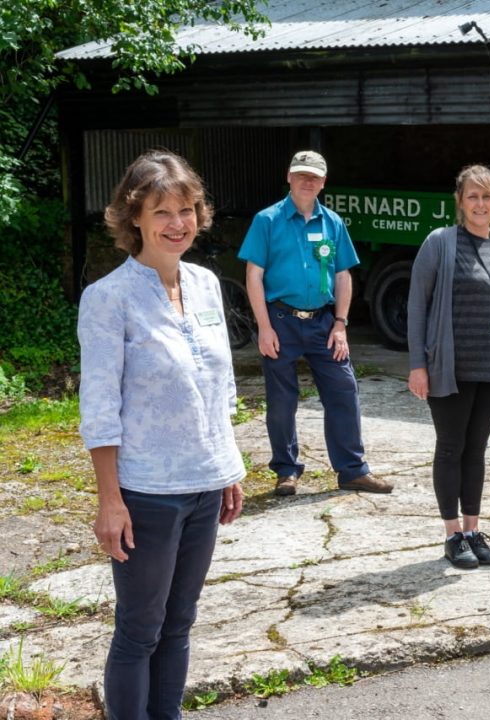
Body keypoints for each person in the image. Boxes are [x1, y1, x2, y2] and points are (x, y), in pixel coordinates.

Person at [78, 149, 246, 719]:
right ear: (135, 220)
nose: (178, 223)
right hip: (146, 494)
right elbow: (99, 407)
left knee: (179, 624)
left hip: (204, 486)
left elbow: (218, 389)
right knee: (139, 630)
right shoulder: (108, 299)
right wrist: (110, 501)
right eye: (162, 212)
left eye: (187, 209)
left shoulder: (204, 284)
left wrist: (227, 469)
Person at [240, 150, 392, 496]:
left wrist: (340, 324)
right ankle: (286, 470)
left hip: (324, 321)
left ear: (323, 182)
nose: (308, 181)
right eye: (301, 174)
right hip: (280, 319)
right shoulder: (268, 220)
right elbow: (254, 275)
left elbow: (343, 275)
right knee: (282, 400)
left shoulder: (333, 223)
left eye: (315, 176)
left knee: (344, 391)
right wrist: (264, 327)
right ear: (289, 177)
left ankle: (352, 469)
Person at [407, 165, 490, 569]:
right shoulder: (440, 242)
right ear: (460, 201)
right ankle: (452, 535)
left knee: (476, 450)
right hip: (451, 366)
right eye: (473, 196)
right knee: (450, 447)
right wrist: (418, 365)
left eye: (487, 196)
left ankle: (473, 530)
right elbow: (417, 306)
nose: (481, 203)